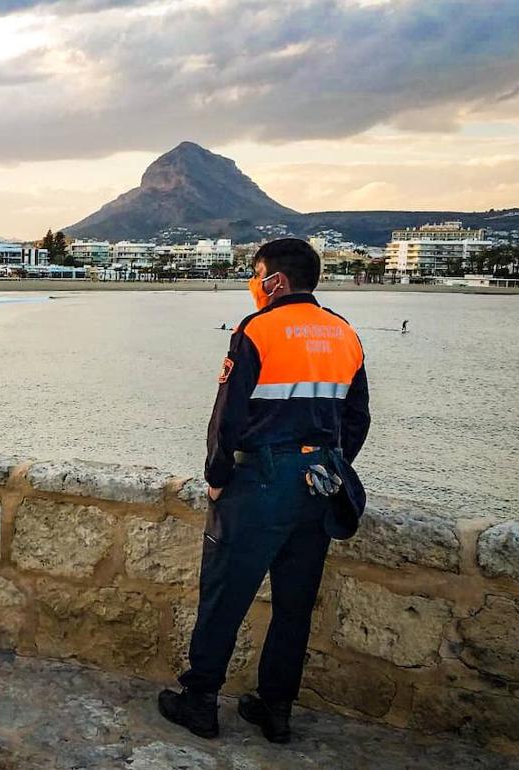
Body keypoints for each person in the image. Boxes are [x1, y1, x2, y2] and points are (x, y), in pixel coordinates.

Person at [158, 238, 370, 744]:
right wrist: (328, 463)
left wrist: (215, 478)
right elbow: (357, 419)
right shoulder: (344, 333)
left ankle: (201, 701)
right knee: (294, 605)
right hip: (319, 485)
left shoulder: (258, 329)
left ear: (274, 280)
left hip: (259, 483)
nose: (253, 285)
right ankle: (276, 712)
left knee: (224, 595)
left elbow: (227, 417)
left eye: (256, 275)